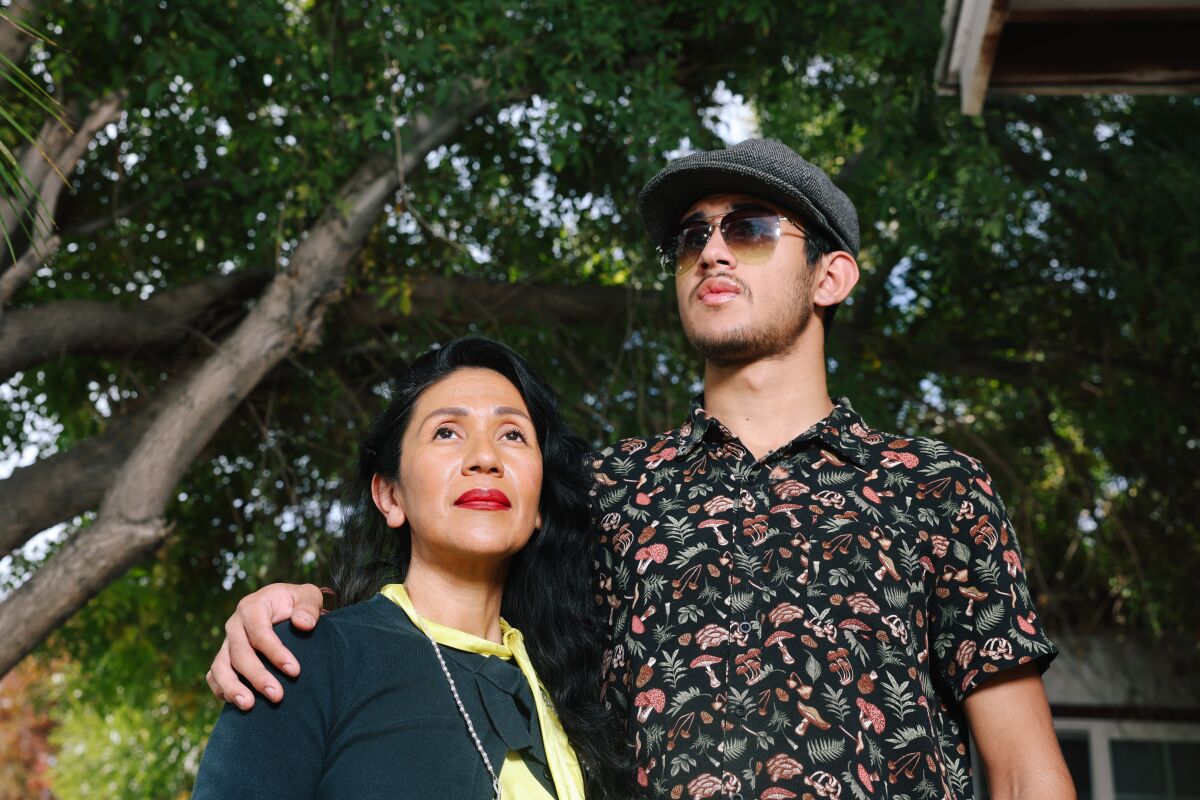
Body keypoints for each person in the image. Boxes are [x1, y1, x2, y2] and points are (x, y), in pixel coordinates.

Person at [205, 139, 1075, 799]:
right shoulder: (604, 491)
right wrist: (298, 609)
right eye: (693, 234)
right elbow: (451, 595)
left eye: (752, 227)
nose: (713, 249)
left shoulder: (933, 485)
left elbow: (1024, 771)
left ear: (831, 275)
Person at [192, 337, 630, 799]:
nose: (486, 458)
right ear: (390, 495)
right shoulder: (307, 658)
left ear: (539, 505)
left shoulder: (576, 695)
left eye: (513, 435)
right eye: (447, 432)